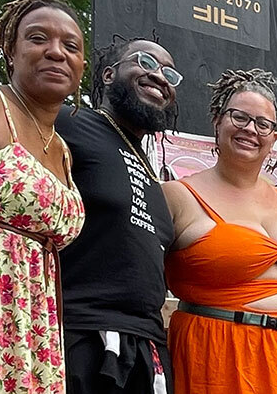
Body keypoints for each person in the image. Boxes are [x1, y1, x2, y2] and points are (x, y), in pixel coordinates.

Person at [162, 69, 277, 394]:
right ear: (217, 120)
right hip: (222, 357)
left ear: (274, 137)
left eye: (263, 124)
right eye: (239, 117)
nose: (250, 130)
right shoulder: (177, 195)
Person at [56, 37, 180, 394]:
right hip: (82, 339)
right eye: (145, 61)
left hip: (146, 348)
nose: (159, 76)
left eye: (169, 73)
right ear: (109, 74)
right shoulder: (67, 124)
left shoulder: (152, 169)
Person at [0, 0, 86, 394]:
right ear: (10, 52)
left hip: (36, 327)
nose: (55, 52)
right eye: (37, 39)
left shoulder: (63, 149)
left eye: (71, 46)